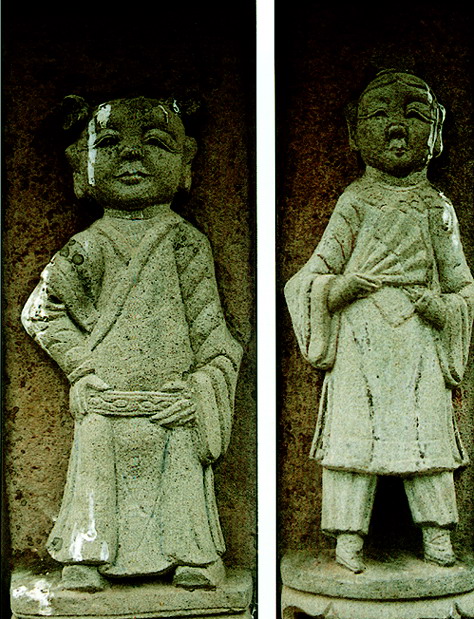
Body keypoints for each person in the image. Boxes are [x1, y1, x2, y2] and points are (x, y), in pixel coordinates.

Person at [22, 96, 242, 590]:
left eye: (156, 143)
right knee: (96, 472)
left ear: (185, 163)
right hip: (105, 396)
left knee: (180, 467)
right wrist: (81, 369)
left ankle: (190, 555)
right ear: (81, 166)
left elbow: (213, 334)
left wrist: (200, 389)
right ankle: (86, 555)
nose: (132, 156)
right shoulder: (88, 245)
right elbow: (40, 311)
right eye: (109, 143)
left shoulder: (185, 243)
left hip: (170, 400)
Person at [285, 70, 474, 573]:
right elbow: (309, 279)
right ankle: (348, 536)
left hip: (419, 337)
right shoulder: (355, 201)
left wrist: (443, 308)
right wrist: (342, 288)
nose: (396, 127)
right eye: (380, 115)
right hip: (360, 335)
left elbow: (462, 286)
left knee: (426, 438)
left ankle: (437, 532)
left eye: (414, 114)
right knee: (353, 438)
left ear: (437, 130)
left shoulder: (436, 207)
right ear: (354, 130)